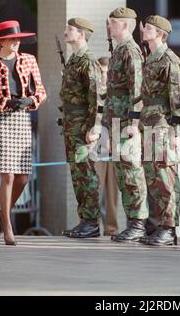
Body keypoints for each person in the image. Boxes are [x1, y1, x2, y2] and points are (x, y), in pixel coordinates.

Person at [0, 20, 47, 245]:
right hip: (0, 119)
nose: (16, 42)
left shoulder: (29, 60)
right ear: (0, 41)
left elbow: (42, 92)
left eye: (18, 39)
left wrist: (31, 100)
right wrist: (4, 102)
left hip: (22, 118)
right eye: (11, 39)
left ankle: (3, 211)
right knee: (6, 174)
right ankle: (6, 222)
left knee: (23, 177)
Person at [102, 7, 149, 243]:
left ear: (125, 26)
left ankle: (138, 222)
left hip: (126, 123)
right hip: (115, 121)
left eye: (113, 23)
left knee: (131, 173)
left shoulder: (131, 51)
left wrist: (134, 123)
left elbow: (137, 90)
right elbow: (112, 93)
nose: (109, 26)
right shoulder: (119, 51)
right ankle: (133, 221)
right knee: (123, 174)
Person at [139, 15, 180, 246]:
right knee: (153, 177)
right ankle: (159, 223)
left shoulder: (169, 60)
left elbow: (177, 100)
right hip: (149, 124)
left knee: (166, 178)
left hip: (163, 127)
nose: (144, 30)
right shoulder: (151, 58)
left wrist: (176, 133)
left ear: (160, 33)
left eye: (148, 28)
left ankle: (169, 227)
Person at [59, 18, 102, 238]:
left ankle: (92, 221)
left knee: (86, 173)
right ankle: (85, 220)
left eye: (70, 29)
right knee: (77, 174)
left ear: (82, 34)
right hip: (71, 126)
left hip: (83, 127)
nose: (66, 32)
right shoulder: (74, 59)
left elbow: (96, 97)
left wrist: (94, 127)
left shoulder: (88, 61)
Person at [95, 56, 120, 236]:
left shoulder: (117, 92)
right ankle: (91, 225)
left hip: (113, 144)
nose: (104, 75)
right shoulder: (94, 91)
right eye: (101, 72)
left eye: (107, 72)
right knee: (94, 188)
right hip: (96, 145)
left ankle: (111, 229)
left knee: (112, 193)